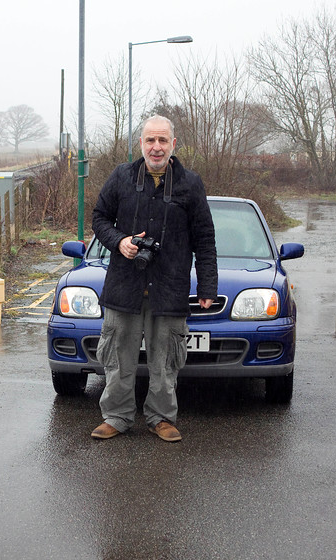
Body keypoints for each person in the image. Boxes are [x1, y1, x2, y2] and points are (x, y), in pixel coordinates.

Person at [90, 115, 217, 442]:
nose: (156, 147)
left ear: (173, 144)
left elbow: (204, 238)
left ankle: (161, 418)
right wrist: (119, 241)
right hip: (124, 286)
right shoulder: (121, 177)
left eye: (163, 140)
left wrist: (207, 287)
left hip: (169, 288)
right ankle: (117, 417)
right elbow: (100, 218)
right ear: (141, 144)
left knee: (165, 360)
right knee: (118, 356)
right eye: (150, 140)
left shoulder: (191, 183)